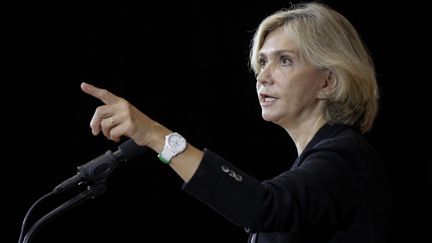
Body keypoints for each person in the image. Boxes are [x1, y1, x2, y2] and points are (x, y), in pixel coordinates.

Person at [80, 2, 391, 243]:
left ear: (328, 81)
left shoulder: (347, 157)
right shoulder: (313, 164)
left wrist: (154, 135)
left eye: (285, 60)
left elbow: (262, 207)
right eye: (263, 62)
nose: (263, 76)